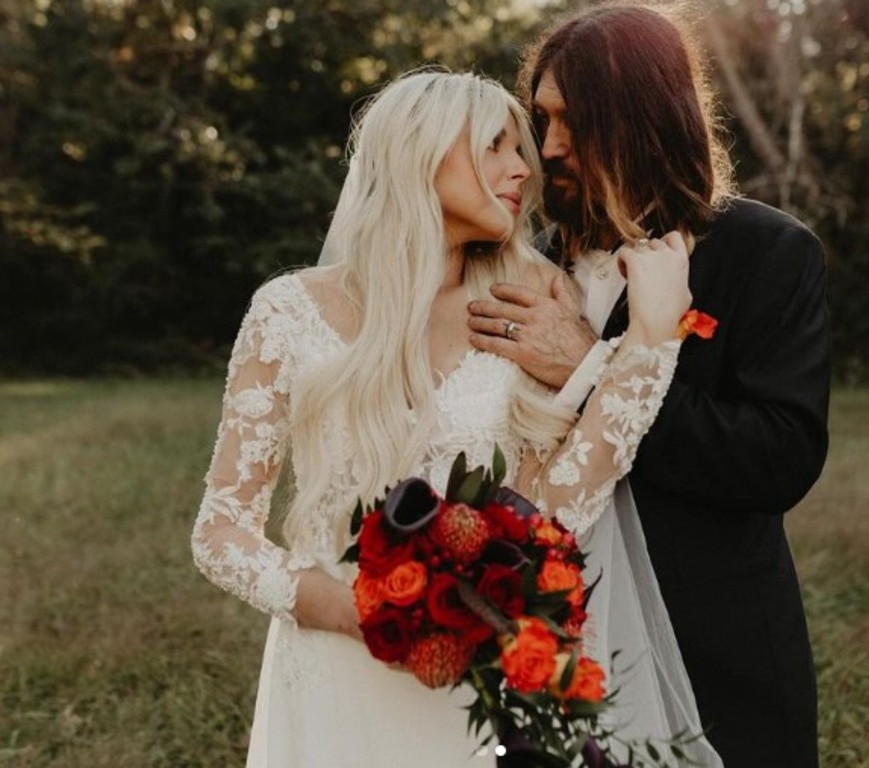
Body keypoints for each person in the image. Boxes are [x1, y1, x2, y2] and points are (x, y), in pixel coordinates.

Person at [190, 68, 720, 768]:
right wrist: (366, 616)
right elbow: (221, 532)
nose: (522, 168)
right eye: (495, 145)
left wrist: (650, 342)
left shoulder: (527, 300)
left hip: (478, 688)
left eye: (519, 148)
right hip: (335, 674)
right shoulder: (288, 314)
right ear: (422, 151)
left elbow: (555, 512)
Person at [467, 5, 831, 767]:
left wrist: (592, 369)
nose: (551, 146)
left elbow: (779, 459)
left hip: (714, 644)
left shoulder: (766, 254)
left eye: (578, 121)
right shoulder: (523, 268)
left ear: (649, 119)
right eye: (543, 118)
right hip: (550, 640)